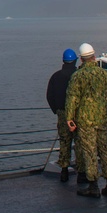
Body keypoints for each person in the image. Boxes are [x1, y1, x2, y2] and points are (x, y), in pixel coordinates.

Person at [65, 42, 107, 198]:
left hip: (85, 122)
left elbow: (72, 99)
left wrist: (70, 119)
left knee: (89, 152)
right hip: (103, 121)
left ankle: (93, 186)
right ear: (94, 57)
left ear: (81, 59)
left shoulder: (78, 77)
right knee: (105, 150)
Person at [46, 48, 79, 182]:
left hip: (62, 114)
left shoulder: (56, 76)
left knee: (64, 142)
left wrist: (57, 111)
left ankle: (64, 170)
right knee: (80, 142)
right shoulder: (78, 75)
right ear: (75, 60)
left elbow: (49, 96)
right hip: (78, 115)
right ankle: (82, 172)